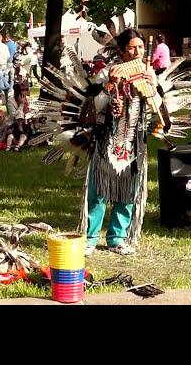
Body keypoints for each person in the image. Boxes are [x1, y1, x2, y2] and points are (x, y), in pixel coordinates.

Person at [82, 28, 157, 256]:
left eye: (141, 47)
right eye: (133, 47)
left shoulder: (148, 73)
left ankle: (117, 238)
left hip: (134, 141)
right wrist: (110, 87)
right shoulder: (106, 73)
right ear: (122, 51)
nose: (137, 52)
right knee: (99, 190)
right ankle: (90, 238)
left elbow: (157, 109)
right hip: (108, 139)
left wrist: (151, 89)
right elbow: (92, 107)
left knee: (127, 192)